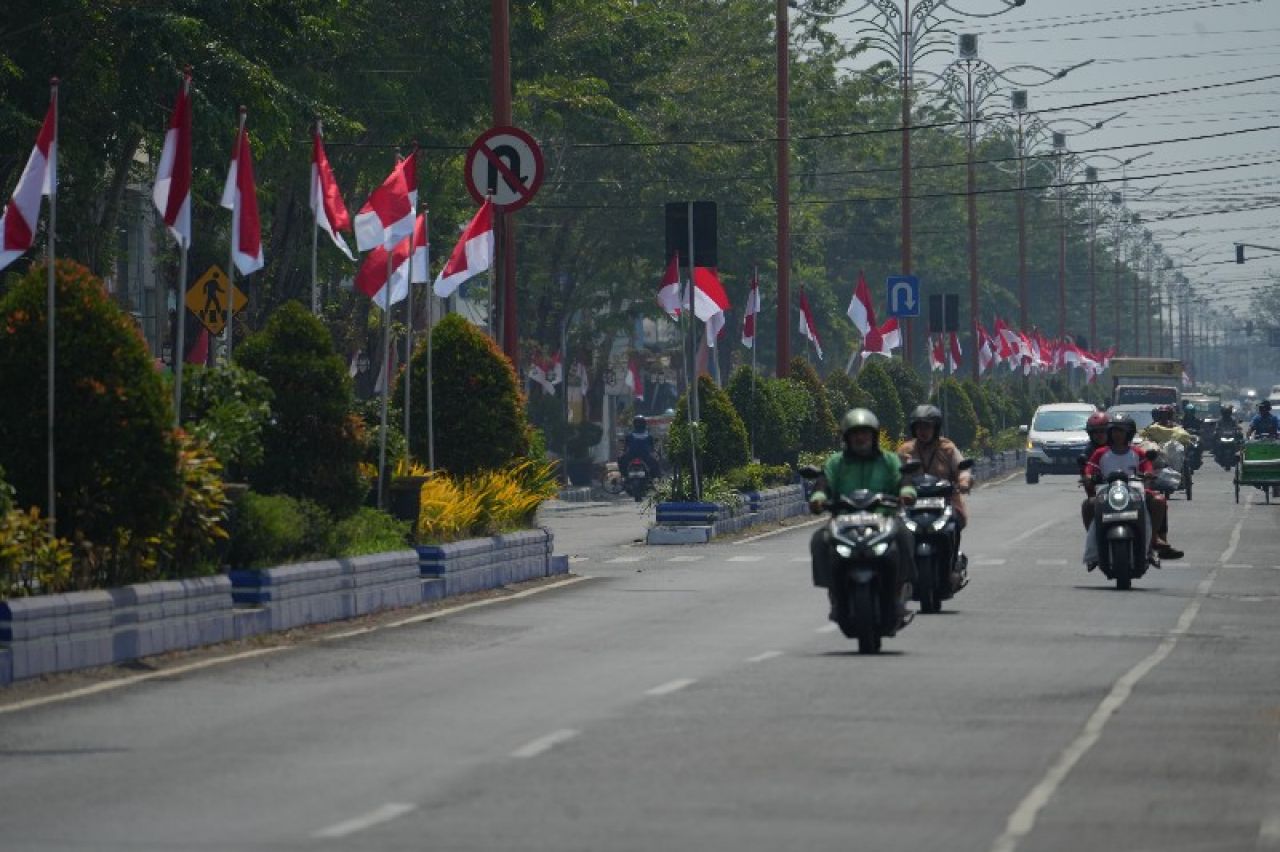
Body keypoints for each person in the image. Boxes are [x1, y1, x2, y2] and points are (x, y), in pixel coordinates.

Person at [808, 409, 917, 632]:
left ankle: (900, 589)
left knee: (905, 535)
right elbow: (823, 483)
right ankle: (834, 592)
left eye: (865, 433)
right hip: (844, 521)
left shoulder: (888, 460)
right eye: (855, 434)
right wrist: (819, 499)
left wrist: (907, 492)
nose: (860, 438)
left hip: (883, 518)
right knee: (819, 540)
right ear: (846, 437)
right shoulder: (836, 462)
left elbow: (903, 480)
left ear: (874, 436)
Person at [1082, 413, 1181, 567]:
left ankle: (1152, 540)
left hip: (1135, 492)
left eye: (1121, 431)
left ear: (1128, 433)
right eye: (1114, 430)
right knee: (1088, 505)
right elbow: (1089, 468)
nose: (1117, 434)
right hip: (1108, 492)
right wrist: (1088, 476)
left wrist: (1148, 474)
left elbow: (1147, 466)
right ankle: (1096, 542)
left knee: (1159, 501)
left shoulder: (1137, 452)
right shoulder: (1100, 453)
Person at [1079, 411, 1110, 530]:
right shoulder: (1087, 453)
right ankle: (1093, 536)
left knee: (1152, 501)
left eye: (1103, 431)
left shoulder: (1121, 446)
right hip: (1101, 492)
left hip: (1126, 490)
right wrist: (1089, 479)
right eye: (1095, 432)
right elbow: (1085, 475)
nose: (1099, 435)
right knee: (1089, 505)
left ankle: (1154, 536)